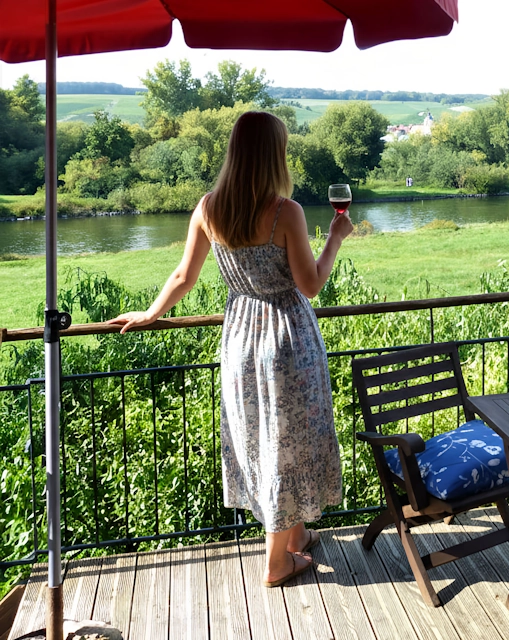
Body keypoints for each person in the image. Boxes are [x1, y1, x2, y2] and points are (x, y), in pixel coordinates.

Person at [108, 111, 352, 587]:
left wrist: (150, 313)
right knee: (289, 440)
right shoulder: (286, 211)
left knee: (264, 439)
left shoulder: (208, 207)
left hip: (240, 337)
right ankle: (276, 563)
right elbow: (311, 285)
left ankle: (296, 537)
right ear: (273, 155)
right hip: (286, 339)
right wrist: (335, 240)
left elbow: (184, 276)